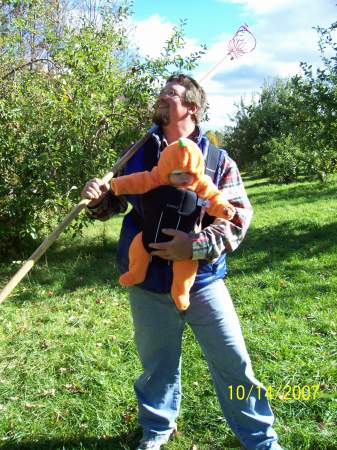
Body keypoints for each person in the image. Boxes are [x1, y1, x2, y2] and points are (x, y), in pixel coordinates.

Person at [81, 74, 283, 450]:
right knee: (157, 366)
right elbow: (114, 204)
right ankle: (157, 429)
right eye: (161, 92)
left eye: (171, 93)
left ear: (192, 106)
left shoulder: (217, 160)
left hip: (203, 281)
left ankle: (260, 440)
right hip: (147, 283)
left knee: (234, 363)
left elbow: (238, 217)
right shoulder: (137, 153)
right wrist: (96, 198)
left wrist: (196, 244)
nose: (161, 97)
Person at [110, 137, 236, 310]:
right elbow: (138, 181)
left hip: (190, 248)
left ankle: (181, 291)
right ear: (167, 171)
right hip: (150, 237)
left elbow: (214, 199)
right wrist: (117, 185)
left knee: (185, 268)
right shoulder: (153, 172)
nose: (184, 179)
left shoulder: (204, 180)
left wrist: (223, 210)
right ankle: (135, 273)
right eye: (178, 174)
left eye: (189, 174)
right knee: (138, 248)